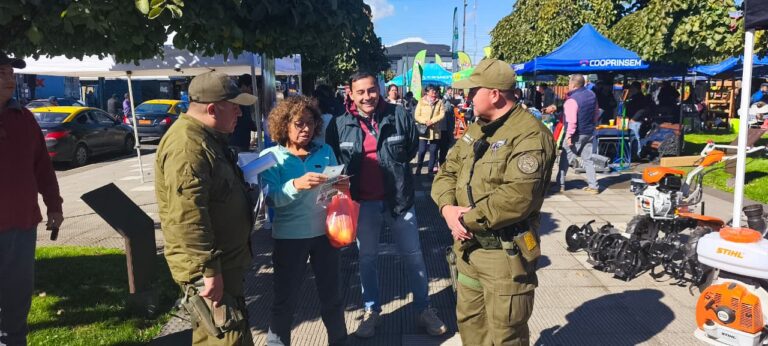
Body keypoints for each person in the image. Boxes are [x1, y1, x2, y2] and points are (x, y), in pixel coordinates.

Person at [431, 58, 556, 346]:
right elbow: (447, 171)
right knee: (471, 326)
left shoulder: (530, 135)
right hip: (468, 250)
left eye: (474, 91)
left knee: (505, 333)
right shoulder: (477, 128)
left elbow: (517, 198)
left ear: (495, 94)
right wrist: (447, 209)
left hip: (504, 254)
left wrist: (464, 220)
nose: (469, 96)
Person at [325, 71, 447, 338]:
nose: (367, 96)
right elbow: (333, 160)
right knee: (367, 259)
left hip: (399, 200)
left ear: (378, 89)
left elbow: (411, 148)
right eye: (360, 92)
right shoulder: (339, 124)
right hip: (362, 203)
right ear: (350, 94)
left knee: (413, 256)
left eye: (371, 90)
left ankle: (424, 309)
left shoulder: (399, 115)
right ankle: (372, 311)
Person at [154, 71, 257, 345]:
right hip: (210, 269)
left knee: (231, 335)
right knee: (224, 338)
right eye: (234, 106)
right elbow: (188, 218)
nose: (239, 113)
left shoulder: (206, 137)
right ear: (212, 109)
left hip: (222, 264)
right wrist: (209, 272)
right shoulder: (187, 147)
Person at [260, 96, 347, 346]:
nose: (306, 129)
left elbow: (331, 193)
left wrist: (340, 187)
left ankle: (339, 341)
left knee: (332, 297)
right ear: (284, 124)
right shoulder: (270, 157)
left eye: (311, 123)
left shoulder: (325, 151)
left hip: (325, 234)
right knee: (285, 300)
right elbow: (270, 200)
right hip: (289, 237)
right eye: (299, 123)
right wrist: (296, 185)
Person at [0, 52, 64, 345]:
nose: (10, 79)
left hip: (21, 226)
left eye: (11, 73)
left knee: (16, 304)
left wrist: (54, 206)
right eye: (1, 73)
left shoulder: (24, 118)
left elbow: (43, 167)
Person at [554, 74, 601, 194]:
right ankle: (593, 186)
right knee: (588, 160)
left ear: (573, 84)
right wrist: (593, 125)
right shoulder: (592, 95)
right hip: (589, 132)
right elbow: (596, 112)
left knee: (565, 159)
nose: (568, 85)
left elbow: (572, 121)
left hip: (576, 134)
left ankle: (560, 185)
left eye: (569, 83)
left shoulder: (572, 100)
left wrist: (569, 136)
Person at [414, 85, 446, 175]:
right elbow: (417, 115)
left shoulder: (439, 102)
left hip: (435, 130)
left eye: (435, 91)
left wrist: (432, 121)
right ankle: (419, 167)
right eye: (432, 91)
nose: (434, 93)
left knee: (433, 151)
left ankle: (430, 170)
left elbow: (442, 114)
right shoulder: (421, 102)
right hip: (424, 129)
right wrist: (425, 121)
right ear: (427, 92)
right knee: (422, 150)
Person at [229, 74, 258, 153]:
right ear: (244, 86)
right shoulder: (237, 99)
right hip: (237, 142)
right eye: (251, 87)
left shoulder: (243, 100)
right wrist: (256, 126)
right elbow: (246, 120)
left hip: (242, 141)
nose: (252, 91)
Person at [435, 94, 455, 167]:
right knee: (435, 149)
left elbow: (451, 119)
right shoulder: (430, 103)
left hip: (444, 129)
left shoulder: (447, 104)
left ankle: (440, 163)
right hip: (436, 130)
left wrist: (451, 130)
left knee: (443, 149)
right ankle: (437, 163)